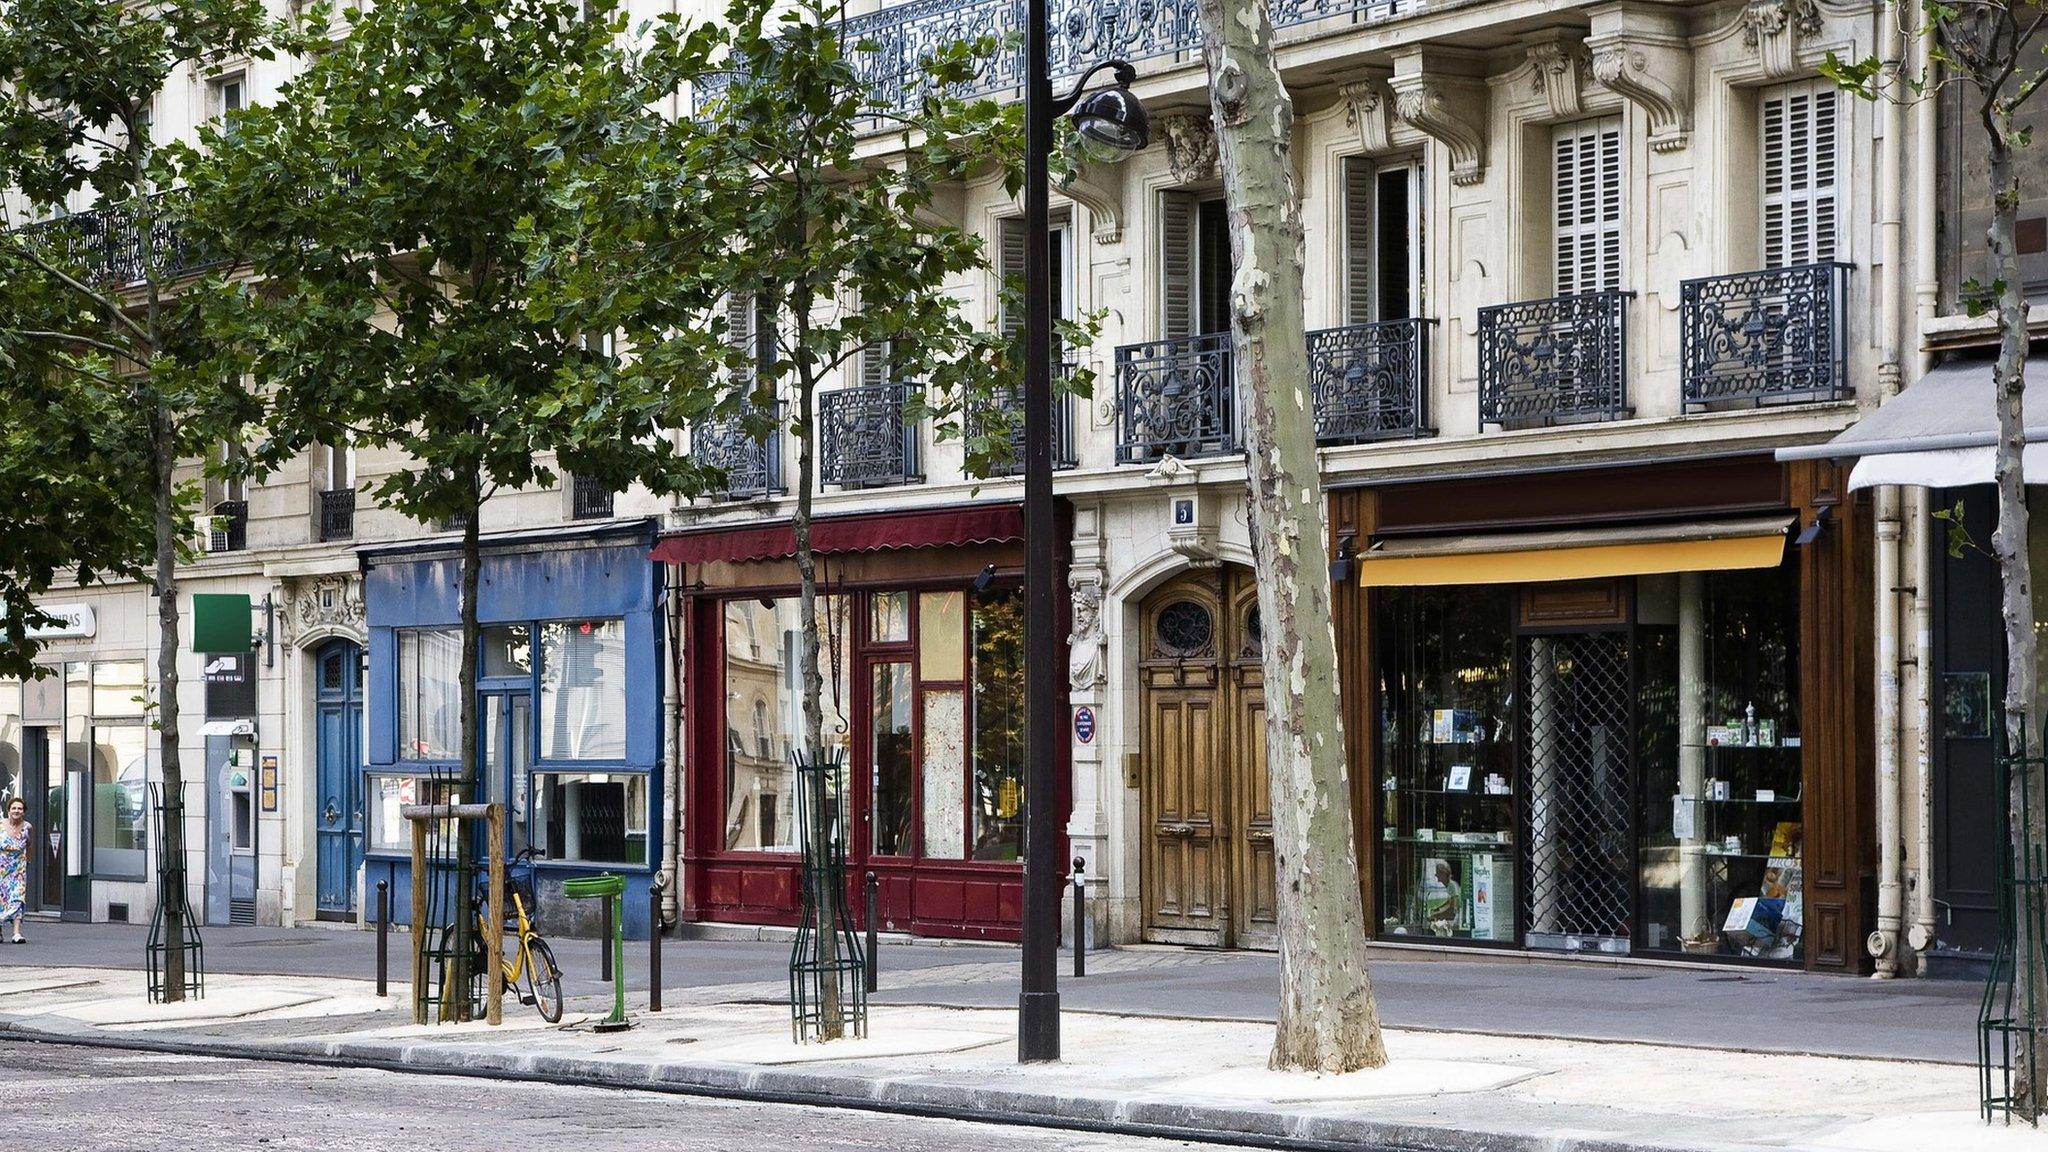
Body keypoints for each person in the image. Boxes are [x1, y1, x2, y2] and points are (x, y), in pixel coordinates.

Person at [1, 795, 30, 943]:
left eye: (19, 808)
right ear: (8, 810)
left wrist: (27, 861)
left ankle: (16, 933)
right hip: (1, 869)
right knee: (2, 900)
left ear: (23, 811)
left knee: (17, 899)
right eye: (14, 808)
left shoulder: (27, 827)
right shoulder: (0, 825)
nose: (16, 811)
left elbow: (30, 846)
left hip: (18, 870)